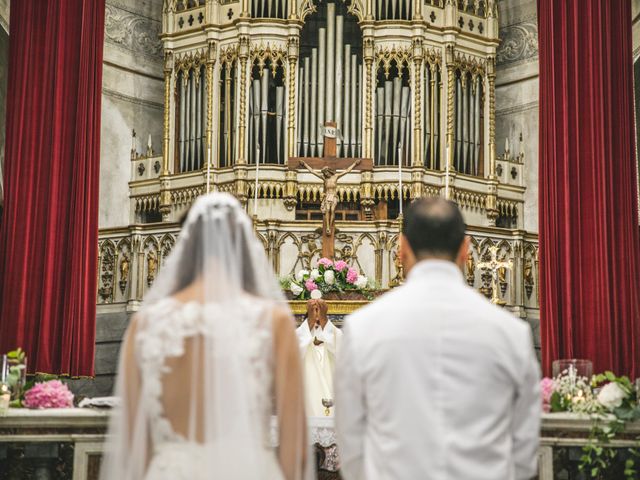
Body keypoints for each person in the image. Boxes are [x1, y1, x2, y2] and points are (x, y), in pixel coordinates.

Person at [100, 193, 313, 480]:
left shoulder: (146, 324)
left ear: (185, 248)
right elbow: (296, 449)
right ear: (244, 248)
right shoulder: (272, 322)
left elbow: (132, 446)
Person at [335, 198, 540, 480]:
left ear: (402, 249)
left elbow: (351, 444)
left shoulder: (362, 329)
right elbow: (525, 450)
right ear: (466, 250)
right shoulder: (512, 333)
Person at [296, 299, 342, 416]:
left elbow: (344, 356)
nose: (317, 325)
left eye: (320, 324)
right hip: (305, 399)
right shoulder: (299, 337)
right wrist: (310, 322)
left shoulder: (335, 336)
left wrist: (324, 321)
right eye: (313, 323)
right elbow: (291, 358)